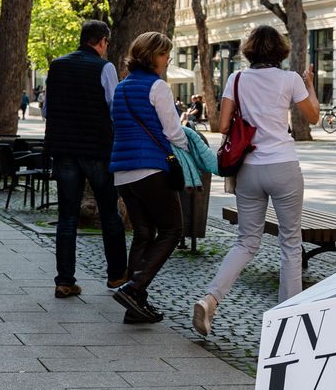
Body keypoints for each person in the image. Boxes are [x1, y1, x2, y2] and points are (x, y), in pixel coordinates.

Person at [192, 25, 318, 338]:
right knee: (290, 241)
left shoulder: (236, 79)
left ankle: (211, 298)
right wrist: (309, 85)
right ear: (280, 50)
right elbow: (313, 116)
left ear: (249, 50)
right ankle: (287, 317)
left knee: (247, 242)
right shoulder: (290, 80)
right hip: (284, 166)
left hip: (248, 168)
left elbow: (223, 126)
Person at [43, 19, 128, 301]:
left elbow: (46, 110)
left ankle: (64, 281)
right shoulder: (104, 68)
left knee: (67, 216)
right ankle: (117, 274)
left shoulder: (57, 66)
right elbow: (115, 107)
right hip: (97, 150)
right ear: (102, 41)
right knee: (109, 213)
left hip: (65, 149)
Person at [109, 30, 189, 325]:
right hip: (151, 170)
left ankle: (134, 305)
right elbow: (173, 132)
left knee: (144, 233)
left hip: (123, 173)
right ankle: (134, 288)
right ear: (152, 56)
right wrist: (194, 146)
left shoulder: (122, 87)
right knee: (172, 230)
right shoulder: (158, 87)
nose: (167, 59)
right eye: (164, 53)